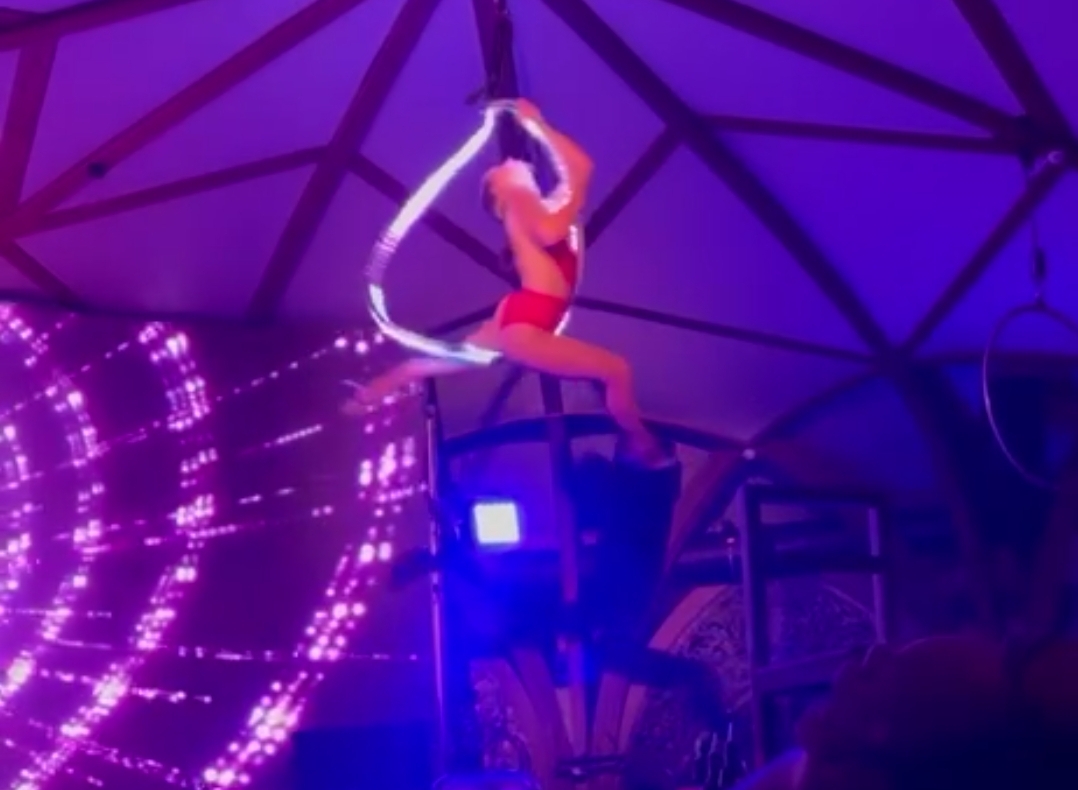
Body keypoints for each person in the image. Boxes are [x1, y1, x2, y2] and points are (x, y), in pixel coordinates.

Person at [344, 98, 666, 466]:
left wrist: (538, 125)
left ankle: (365, 397)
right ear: (497, 194)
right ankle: (643, 445)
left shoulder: (537, 204)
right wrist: (542, 136)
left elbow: (581, 167)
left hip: (521, 315)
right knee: (616, 370)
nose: (510, 160)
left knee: (434, 363)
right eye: (500, 168)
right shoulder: (517, 200)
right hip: (528, 320)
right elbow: (554, 223)